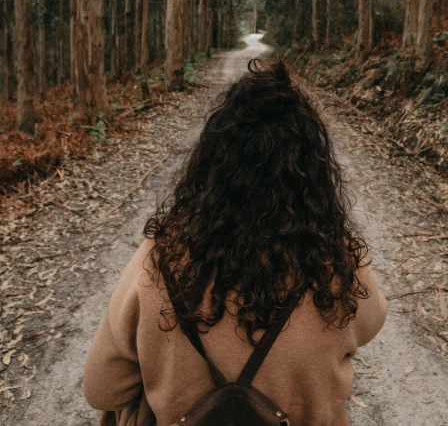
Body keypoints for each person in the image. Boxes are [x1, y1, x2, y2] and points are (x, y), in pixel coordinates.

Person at [84, 59, 387, 426]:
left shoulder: (158, 260)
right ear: (315, 175)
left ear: (209, 168)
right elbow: (370, 325)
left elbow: (102, 389)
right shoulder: (338, 262)